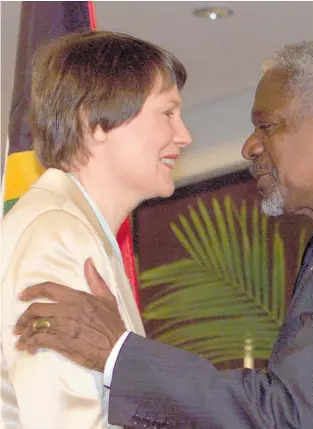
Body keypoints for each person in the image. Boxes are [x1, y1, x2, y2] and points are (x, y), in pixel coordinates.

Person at [13, 38, 313, 429]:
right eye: (166, 113)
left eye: (267, 126)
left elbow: (294, 415)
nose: (249, 146)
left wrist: (119, 355)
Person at [1, 31, 191, 429]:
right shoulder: (57, 233)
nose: (184, 136)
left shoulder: (77, 229)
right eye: (167, 113)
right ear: (96, 122)